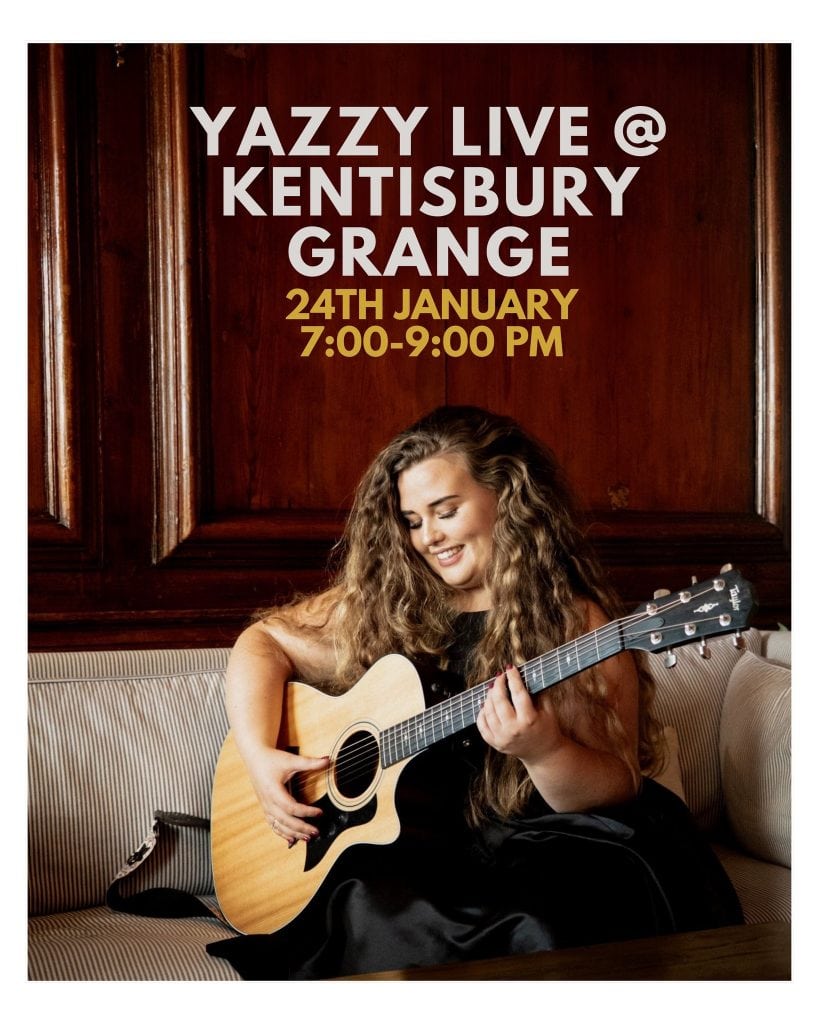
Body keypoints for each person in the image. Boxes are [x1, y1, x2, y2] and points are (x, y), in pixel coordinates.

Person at [207, 405, 742, 979]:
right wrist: (261, 756)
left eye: (446, 511)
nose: (429, 537)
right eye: (412, 521)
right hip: (430, 846)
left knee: (548, 922)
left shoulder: (574, 623)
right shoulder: (387, 607)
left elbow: (613, 784)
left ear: (505, 498)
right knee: (374, 903)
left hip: (556, 838)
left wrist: (544, 750)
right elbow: (261, 642)